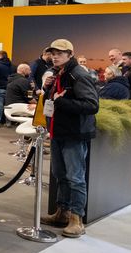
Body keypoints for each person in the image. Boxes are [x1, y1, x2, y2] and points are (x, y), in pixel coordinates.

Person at [39, 38, 99, 238]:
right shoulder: (59, 73)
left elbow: (92, 105)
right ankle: (62, 212)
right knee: (60, 174)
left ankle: (76, 219)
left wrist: (61, 102)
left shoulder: (78, 74)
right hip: (58, 132)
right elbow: (52, 102)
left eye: (60, 53)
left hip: (74, 134)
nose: (55, 56)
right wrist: (48, 89)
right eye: (53, 53)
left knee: (75, 177)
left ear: (70, 54)